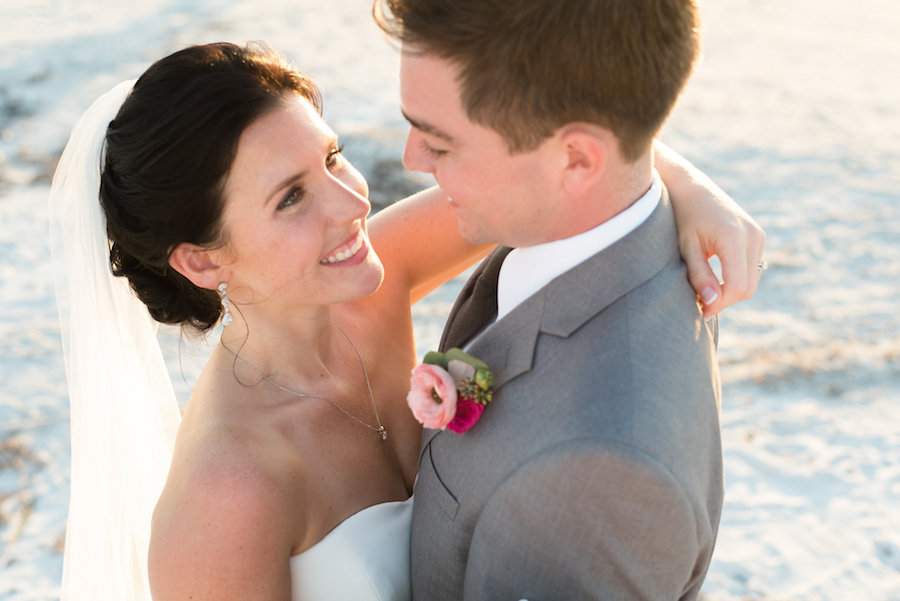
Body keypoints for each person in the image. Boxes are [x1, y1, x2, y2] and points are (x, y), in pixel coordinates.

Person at [48, 40, 760, 601]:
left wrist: (692, 189)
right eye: (292, 197)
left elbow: (547, 168)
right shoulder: (228, 492)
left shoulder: (367, 284)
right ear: (202, 262)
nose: (350, 203)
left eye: (331, 158)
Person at [373, 0, 761, 599]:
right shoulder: (617, 222)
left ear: (576, 158)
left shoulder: (600, 476)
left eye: (441, 142)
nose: (410, 159)